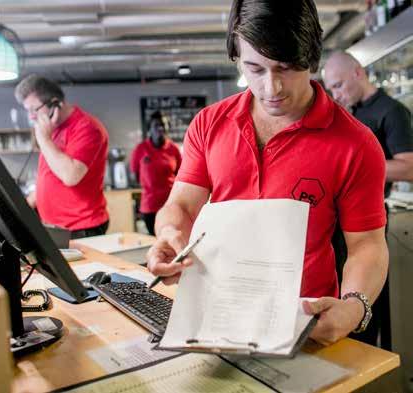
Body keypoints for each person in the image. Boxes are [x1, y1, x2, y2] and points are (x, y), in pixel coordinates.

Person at [146, 0, 389, 346]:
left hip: (305, 323)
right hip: (218, 316)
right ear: (237, 57)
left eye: (286, 68)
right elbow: (182, 206)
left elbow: (367, 245)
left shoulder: (356, 144)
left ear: (310, 58)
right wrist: (169, 235)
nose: (271, 88)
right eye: (255, 70)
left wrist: (354, 306)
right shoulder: (208, 124)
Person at [324, 51, 413, 349]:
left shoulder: (393, 111)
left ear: (358, 73)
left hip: (372, 220)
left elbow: (410, 166)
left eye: (338, 85)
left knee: (367, 306)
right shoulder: (351, 111)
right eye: (331, 89)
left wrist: (357, 166)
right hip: (338, 222)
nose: (336, 94)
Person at [15, 75, 109, 239]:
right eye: (27, 110)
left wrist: (43, 140)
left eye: (33, 109)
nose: (31, 116)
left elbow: (71, 176)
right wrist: (30, 201)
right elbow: (50, 173)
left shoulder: (87, 128)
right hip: (54, 225)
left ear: (55, 103)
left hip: (80, 227)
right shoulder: (52, 128)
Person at [130, 112, 182, 235]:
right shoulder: (141, 149)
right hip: (150, 206)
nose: (160, 128)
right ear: (149, 129)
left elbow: (180, 175)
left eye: (163, 125)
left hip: (170, 204)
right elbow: (135, 175)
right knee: (155, 241)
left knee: (171, 239)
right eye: (156, 125)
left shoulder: (173, 149)